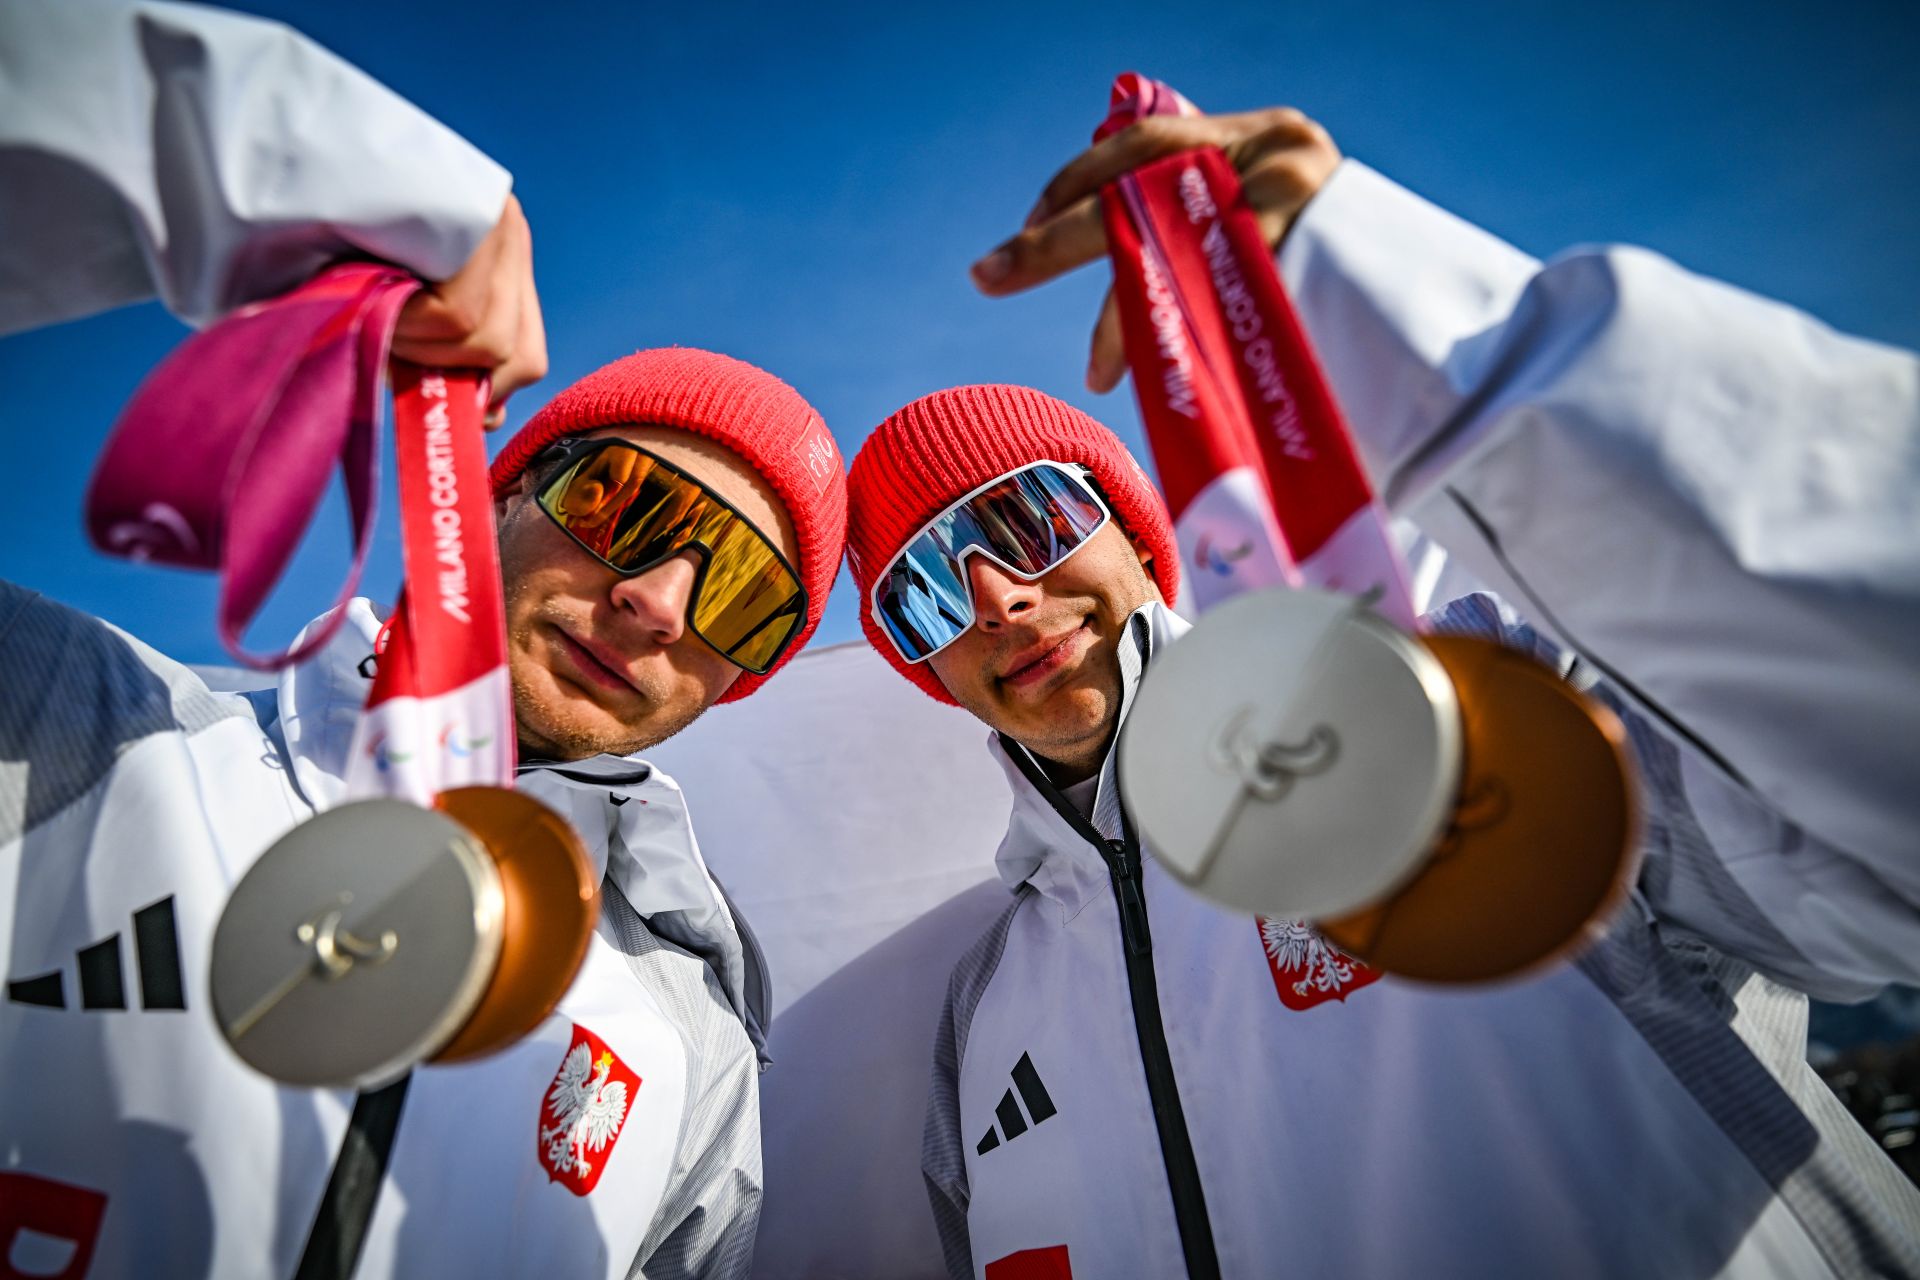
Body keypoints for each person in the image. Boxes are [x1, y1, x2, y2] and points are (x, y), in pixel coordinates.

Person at [842, 108, 1920, 1277]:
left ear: (1139, 540)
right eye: (925, 594)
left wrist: (1398, 319)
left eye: (1025, 517)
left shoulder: (1465, 703)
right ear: (926, 669)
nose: (997, 595)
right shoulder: (985, 1021)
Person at [0, 4, 847, 1277]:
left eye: (740, 598)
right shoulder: (82, 728)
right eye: (626, 503)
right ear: (502, 490)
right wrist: (311, 158)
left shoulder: (694, 1046)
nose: (660, 601)